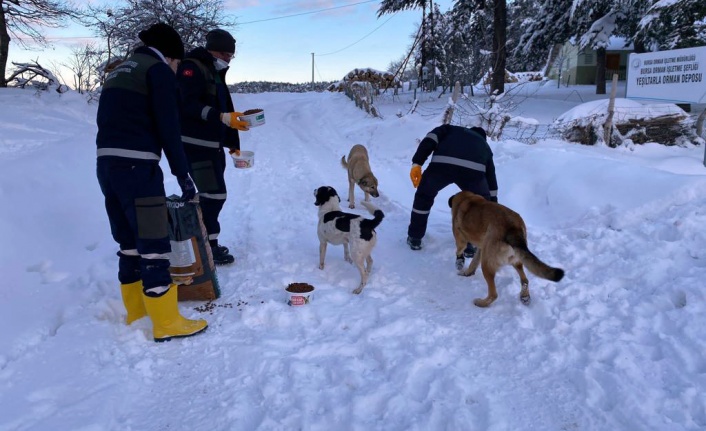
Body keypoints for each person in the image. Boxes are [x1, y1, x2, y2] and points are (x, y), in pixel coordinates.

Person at [96, 23, 207, 342]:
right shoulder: (157, 71)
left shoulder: (120, 71)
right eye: (178, 64)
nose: (176, 70)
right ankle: (166, 322)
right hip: (138, 169)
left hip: (106, 165)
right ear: (171, 57)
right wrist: (182, 173)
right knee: (155, 243)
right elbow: (169, 126)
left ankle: (137, 313)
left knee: (128, 243)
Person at [176, 28, 248, 265]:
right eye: (226, 54)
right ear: (213, 50)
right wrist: (221, 118)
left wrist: (232, 141)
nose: (228, 59)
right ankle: (206, 247)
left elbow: (224, 106)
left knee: (213, 195)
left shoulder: (215, 72)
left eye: (231, 56)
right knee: (214, 195)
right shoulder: (192, 68)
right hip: (195, 145)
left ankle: (208, 244)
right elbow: (187, 104)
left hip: (212, 146)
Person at [406, 125, 498, 253]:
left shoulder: (450, 129)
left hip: (441, 167)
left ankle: (415, 238)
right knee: (478, 206)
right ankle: (471, 244)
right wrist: (492, 203)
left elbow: (430, 139)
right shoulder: (484, 146)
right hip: (473, 173)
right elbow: (491, 177)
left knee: (424, 196)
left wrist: (417, 163)